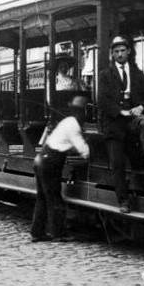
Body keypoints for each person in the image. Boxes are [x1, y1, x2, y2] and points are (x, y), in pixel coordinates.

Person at [98, 36, 144, 214]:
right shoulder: (105, 75)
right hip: (115, 124)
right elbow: (102, 100)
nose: (120, 54)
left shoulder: (137, 73)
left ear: (128, 52)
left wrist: (141, 107)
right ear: (112, 54)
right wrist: (121, 111)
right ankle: (123, 201)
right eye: (116, 51)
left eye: (122, 51)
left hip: (133, 120)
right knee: (117, 163)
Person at [30, 93, 90, 242]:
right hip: (50, 163)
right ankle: (59, 234)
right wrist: (91, 152)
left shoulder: (67, 120)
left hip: (41, 159)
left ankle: (37, 233)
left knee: (42, 198)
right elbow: (83, 149)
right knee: (55, 198)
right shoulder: (74, 126)